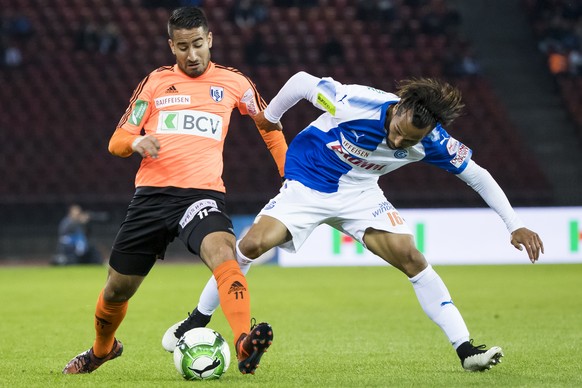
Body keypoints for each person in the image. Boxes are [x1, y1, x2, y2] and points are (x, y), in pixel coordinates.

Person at [162, 71, 545, 372]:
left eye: (408, 141)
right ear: (398, 108)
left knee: (411, 257)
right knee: (251, 246)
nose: (397, 142)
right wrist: (271, 118)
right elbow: (300, 82)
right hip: (308, 184)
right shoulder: (353, 101)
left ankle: (466, 349)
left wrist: (514, 225)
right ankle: (194, 321)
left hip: (361, 194)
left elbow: (477, 175)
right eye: (397, 130)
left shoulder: (434, 140)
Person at [62, 6, 287, 376]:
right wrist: (135, 145)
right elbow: (117, 140)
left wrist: (287, 169)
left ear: (210, 40)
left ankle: (244, 340)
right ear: (171, 46)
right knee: (116, 290)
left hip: (202, 194)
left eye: (198, 44)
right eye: (182, 47)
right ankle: (103, 349)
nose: (192, 54)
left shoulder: (234, 82)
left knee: (224, 253)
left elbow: (268, 123)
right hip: (151, 197)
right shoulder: (154, 83)